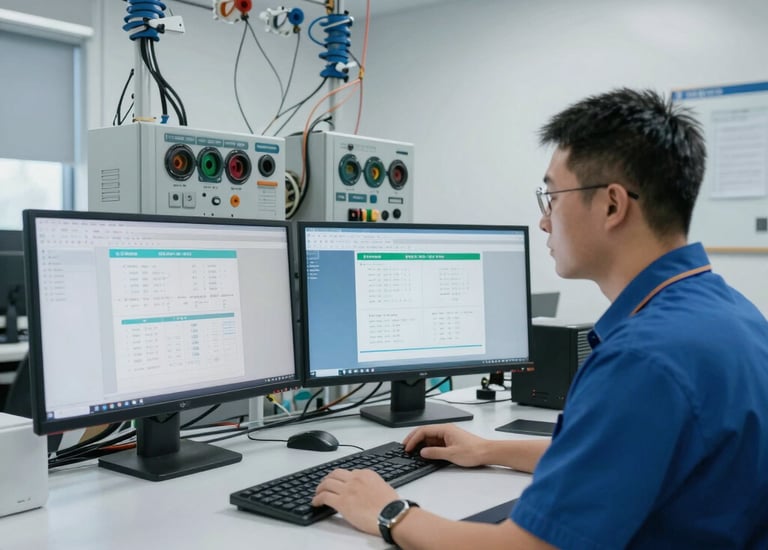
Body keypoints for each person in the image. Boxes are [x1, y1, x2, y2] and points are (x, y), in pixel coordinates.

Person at [311, 88, 768, 548]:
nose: (545, 222)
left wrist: (389, 513)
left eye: (552, 196)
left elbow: (528, 547)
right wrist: (488, 450)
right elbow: (620, 457)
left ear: (612, 205)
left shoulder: (643, 359)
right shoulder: (729, 313)